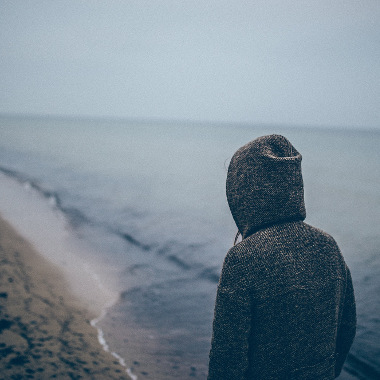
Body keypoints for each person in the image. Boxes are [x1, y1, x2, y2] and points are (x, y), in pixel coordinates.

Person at [208, 134, 356, 380]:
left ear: (242, 193)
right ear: (293, 184)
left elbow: (227, 358)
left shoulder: (244, 258)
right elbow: (347, 328)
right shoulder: (328, 246)